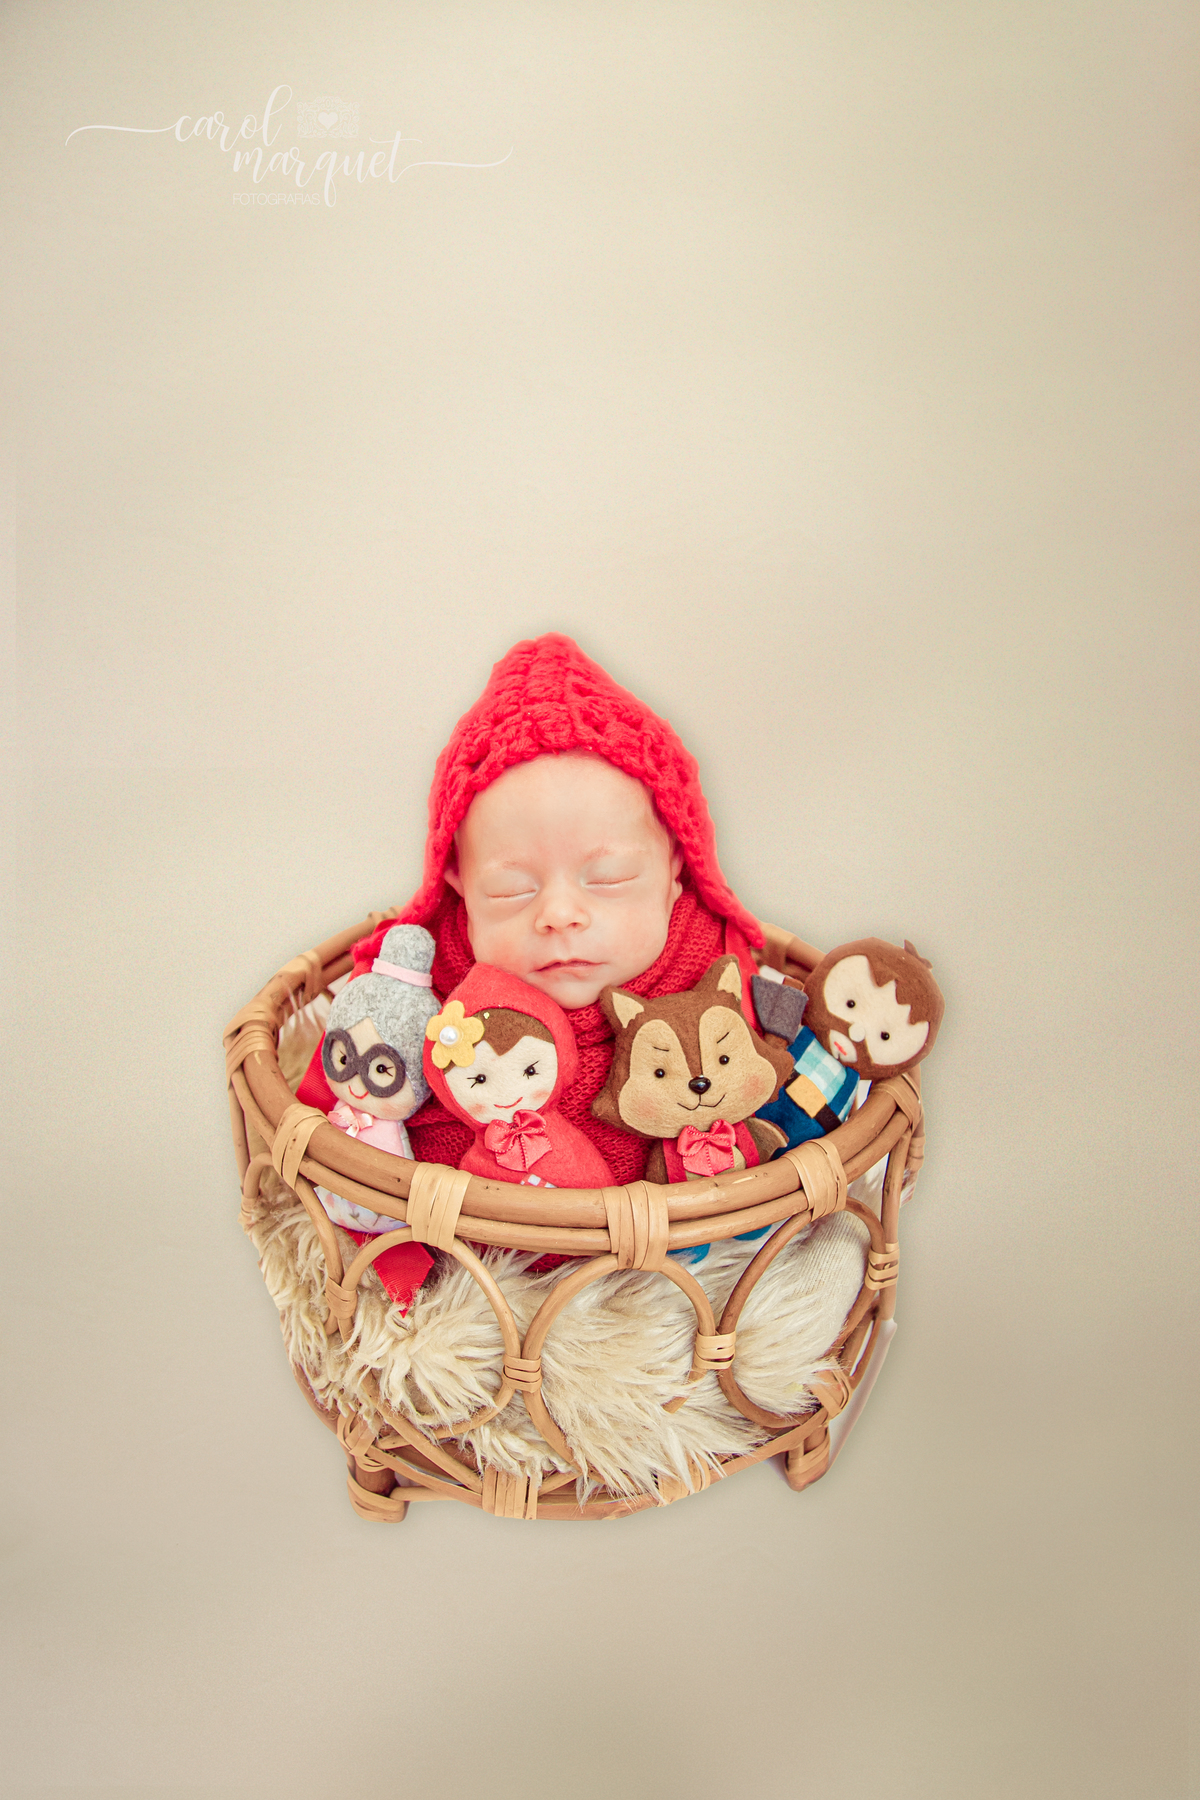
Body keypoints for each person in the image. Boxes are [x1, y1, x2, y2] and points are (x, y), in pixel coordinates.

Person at [296, 632, 768, 1300]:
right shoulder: (437, 985)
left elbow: (753, 1081)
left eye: (607, 878)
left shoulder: (707, 965)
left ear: (675, 871)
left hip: (680, 1270)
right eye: (512, 890)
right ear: (458, 883)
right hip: (486, 1278)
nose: (560, 914)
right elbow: (394, 1120)